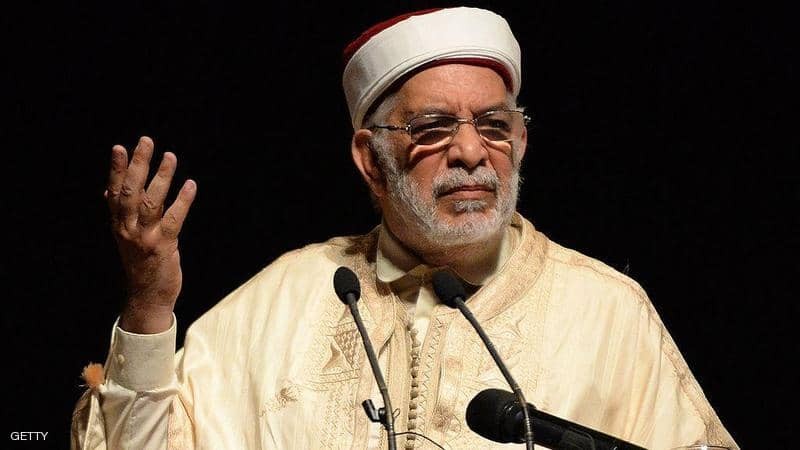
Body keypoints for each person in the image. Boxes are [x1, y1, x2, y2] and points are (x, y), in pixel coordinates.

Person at [71, 7, 738, 450]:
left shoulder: (606, 310)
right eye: (434, 129)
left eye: (495, 126)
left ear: (521, 142)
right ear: (371, 158)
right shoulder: (283, 300)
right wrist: (150, 305)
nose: (471, 152)